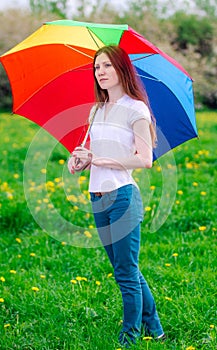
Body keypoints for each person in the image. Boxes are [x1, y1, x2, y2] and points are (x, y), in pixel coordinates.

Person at [68, 45, 165, 347]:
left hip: (123, 197)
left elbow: (145, 159)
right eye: (97, 67)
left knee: (125, 272)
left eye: (107, 66)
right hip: (98, 198)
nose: (101, 72)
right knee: (126, 269)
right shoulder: (96, 110)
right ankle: (157, 329)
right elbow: (93, 154)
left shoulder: (136, 109)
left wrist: (101, 159)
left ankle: (130, 337)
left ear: (122, 69)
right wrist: (80, 160)